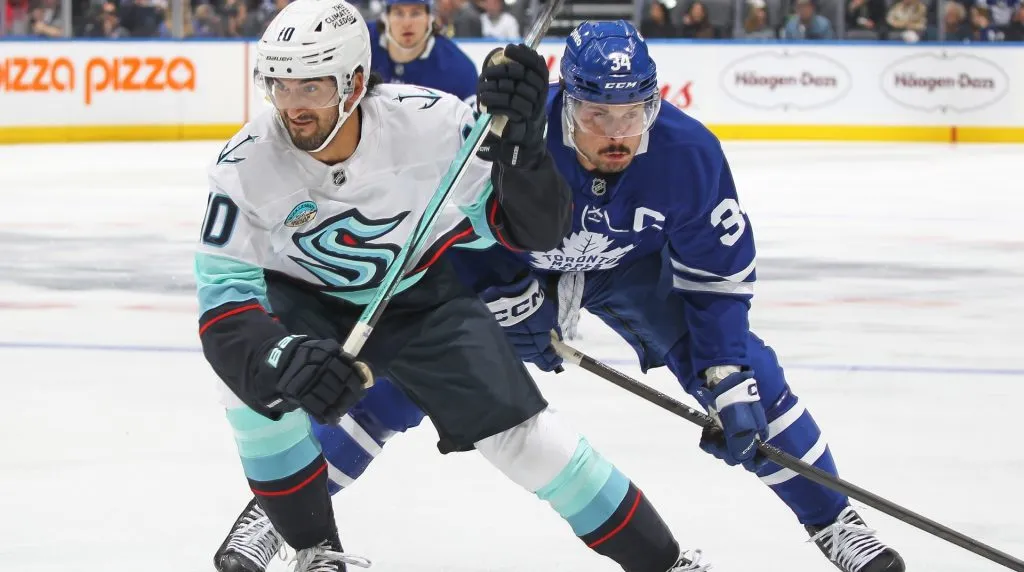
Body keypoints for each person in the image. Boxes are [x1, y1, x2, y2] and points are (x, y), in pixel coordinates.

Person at [214, 17, 908, 572]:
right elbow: (450, 226)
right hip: (509, 262)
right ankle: (278, 517)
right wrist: (508, 293)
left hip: (628, 270)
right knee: (396, 376)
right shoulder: (517, 130)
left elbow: (716, 276)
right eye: (599, 115)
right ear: (564, 102)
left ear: (656, 103)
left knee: (750, 381)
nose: (617, 133)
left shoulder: (689, 155)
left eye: (634, 114)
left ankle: (835, 520)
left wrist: (723, 369)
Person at [200, 2, 706, 572]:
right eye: (280, 86)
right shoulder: (244, 162)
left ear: (357, 82)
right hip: (300, 299)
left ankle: (663, 562)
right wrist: (279, 355)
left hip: (418, 297)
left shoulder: (430, 126)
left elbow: (536, 230)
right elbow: (223, 306)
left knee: (528, 439)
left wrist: (523, 151)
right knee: (251, 383)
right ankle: (314, 550)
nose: (292, 107)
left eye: (312, 87)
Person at [369, 0, 478, 103]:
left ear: (430, 17)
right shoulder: (361, 42)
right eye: (398, 13)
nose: (407, 23)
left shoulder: (459, 70)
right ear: (386, 17)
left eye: (416, 13)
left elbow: (476, 121)